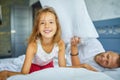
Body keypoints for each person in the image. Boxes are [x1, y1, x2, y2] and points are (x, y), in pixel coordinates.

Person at [0, 7, 66, 80]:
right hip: (34, 68)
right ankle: (5, 72)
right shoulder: (33, 45)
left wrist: (80, 66)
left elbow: (63, 68)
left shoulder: (60, 43)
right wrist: (7, 73)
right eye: (42, 23)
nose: (47, 26)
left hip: (49, 67)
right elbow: (24, 73)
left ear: (57, 26)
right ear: (37, 28)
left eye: (51, 22)